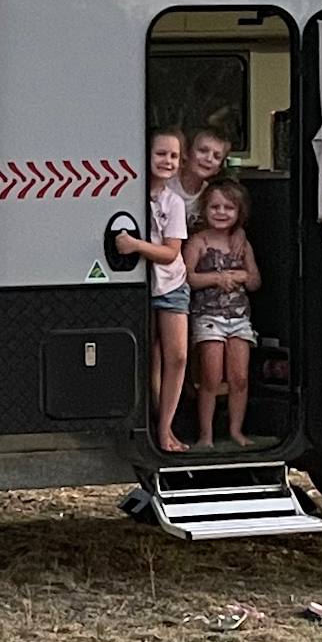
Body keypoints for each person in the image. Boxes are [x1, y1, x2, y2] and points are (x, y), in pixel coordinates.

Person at [115, 131, 193, 453]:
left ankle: (166, 427)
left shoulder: (174, 202)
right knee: (148, 356)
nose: (167, 161)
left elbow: (171, 253)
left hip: (172, 285)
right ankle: (150, 425)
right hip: (140, 286)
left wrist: (135, 245)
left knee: (177, 356)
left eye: (174, 156)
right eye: (161, 154)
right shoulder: (129, 197)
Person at [185, 178, 261, 447]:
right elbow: (187, 278)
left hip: (239, 318)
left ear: (239, 212)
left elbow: (255, 282)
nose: (221, 212)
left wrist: (241, 276)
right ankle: (206, 435)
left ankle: (236, 431)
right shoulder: (198, 242)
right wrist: (217, 279)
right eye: (215, 207)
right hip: (208, 317)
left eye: (229, 208)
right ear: (204, 209)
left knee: (239, 378)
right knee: (211, 377)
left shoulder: (242, 244)